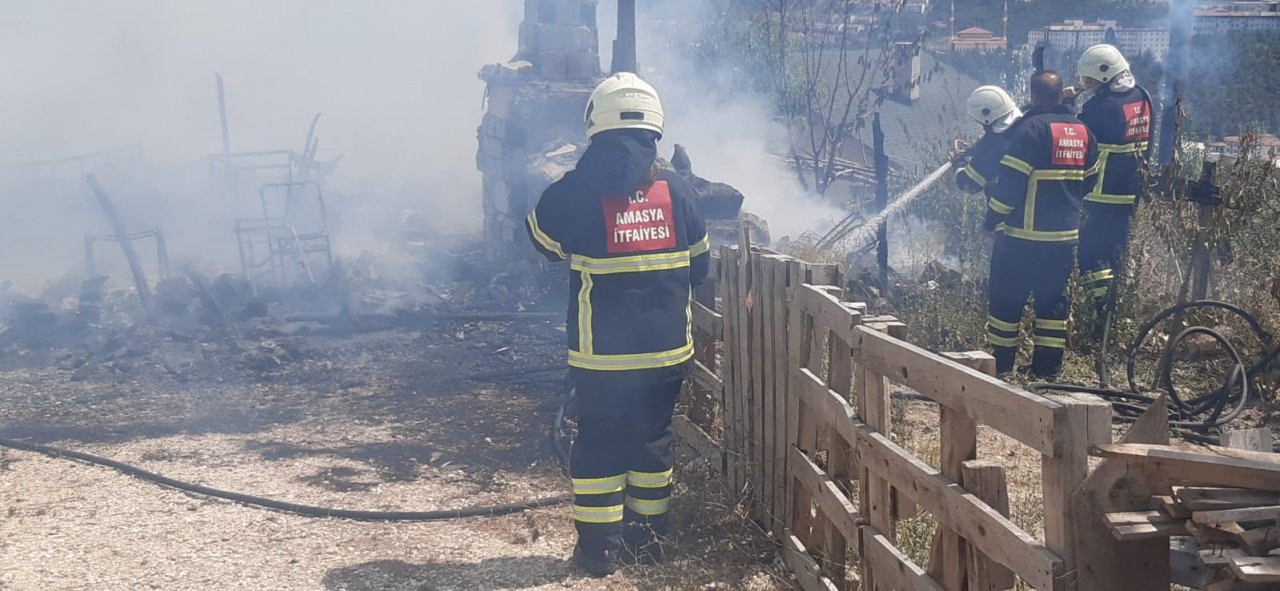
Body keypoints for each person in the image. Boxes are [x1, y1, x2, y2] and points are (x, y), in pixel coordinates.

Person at [524, 72, 710, 577]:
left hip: (601, 356)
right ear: (656, 126)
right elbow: (701, 268)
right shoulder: (678, 190)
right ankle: (647, 545)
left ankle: (597, 552)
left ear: (594, 125)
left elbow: (541, 241)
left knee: (600, 444)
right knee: (652, 443)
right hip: (666, 352)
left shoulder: (576, 192)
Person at [984, 71, 1099, 378]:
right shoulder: (1084, 131)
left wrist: (991, 219)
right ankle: (1046, 372)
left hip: (1022, 238)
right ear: (1061, 95)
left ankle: (1002, 367)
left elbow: (1008, 189)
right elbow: (1090, 180)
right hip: (1063, 240)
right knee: (1052, 307)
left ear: (1034, 97)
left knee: (1007, 302)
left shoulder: (1030, 130)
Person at [1073, 44, 1154, 317]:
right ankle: (1117, 308)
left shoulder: (1100, 107)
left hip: (1101, 195)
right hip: (1130, 192)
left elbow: (1075, 132)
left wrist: (1062, 104)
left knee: (1090, 256)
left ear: (1104, 75)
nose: (1086, 84)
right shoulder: (1140, 97)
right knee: (1116, 254)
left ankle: (1102, 311)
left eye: (1089, 79)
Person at [952, 85, 1023, 195]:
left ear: (987, 115)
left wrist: (958, 162)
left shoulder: (995, 145)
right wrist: (977, 149)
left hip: (1008, 208)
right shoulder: (1025, 124)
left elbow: (969, 184)